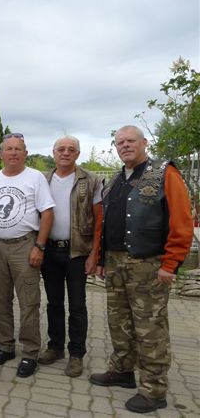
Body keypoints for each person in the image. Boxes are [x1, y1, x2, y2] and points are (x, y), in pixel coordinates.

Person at [89, 125, 193, 414]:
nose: (124, 145)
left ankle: (153, 390)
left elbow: (182, 221)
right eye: (120, 142)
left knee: (150, 328)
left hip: (149, 265)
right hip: (115, 263)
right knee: (118, 321)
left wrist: (170, 264)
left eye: (130, 140)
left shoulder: (164, 173)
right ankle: (122, 370)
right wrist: (100, 258)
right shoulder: (115, 180)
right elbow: (104, 222)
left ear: (144, 142)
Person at [0, 133, 55, 378]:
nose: (13, 152)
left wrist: (39, 247)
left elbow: (47, 213)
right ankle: (5, 346)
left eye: (18, 149)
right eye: (8, 149)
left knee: (28, 302)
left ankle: (30, 352)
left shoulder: (35, 177)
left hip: (24, 246)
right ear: (1, 154)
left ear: (25, 153)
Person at [38, 136, 103, 378]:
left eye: (71, 149)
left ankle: (76, 354)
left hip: (77, 252)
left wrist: (94, 253)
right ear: (53, 152)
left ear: (78, 154)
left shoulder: (91, 180)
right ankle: (55, 347)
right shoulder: (43, 179)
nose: (65, 153)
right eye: (61, 149)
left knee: (77, 305)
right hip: (49, 251)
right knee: (54, 303)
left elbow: (99, 220)